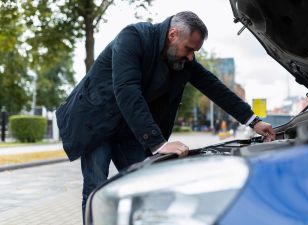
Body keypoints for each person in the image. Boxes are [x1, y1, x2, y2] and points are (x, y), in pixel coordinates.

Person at [56, 11, 276, 223]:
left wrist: (253, 121)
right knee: (96, 187)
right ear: (172, 35)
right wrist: (158, 143)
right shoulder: (133, 38)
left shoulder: (182, 59)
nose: (191, 57)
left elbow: (214, 87)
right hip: (96, 121)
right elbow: (127, 90)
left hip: (127, 126)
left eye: (195, 52)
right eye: (189, 49)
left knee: (143, 183)